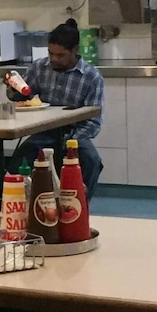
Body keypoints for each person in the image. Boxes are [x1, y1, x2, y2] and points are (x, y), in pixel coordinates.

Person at [6, 18, 104, 199]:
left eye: (60, 55)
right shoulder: (39, 67)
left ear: (74, 50)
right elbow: (23, 96)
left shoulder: (92, 77)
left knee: (91, 161)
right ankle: (25, 205)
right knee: (20, 160)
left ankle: (79, 207)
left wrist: (70, 142)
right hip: (44, 131)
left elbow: (93, 122)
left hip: (75, 133)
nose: (53, 59)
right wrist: (15, 89)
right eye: (51, 53)